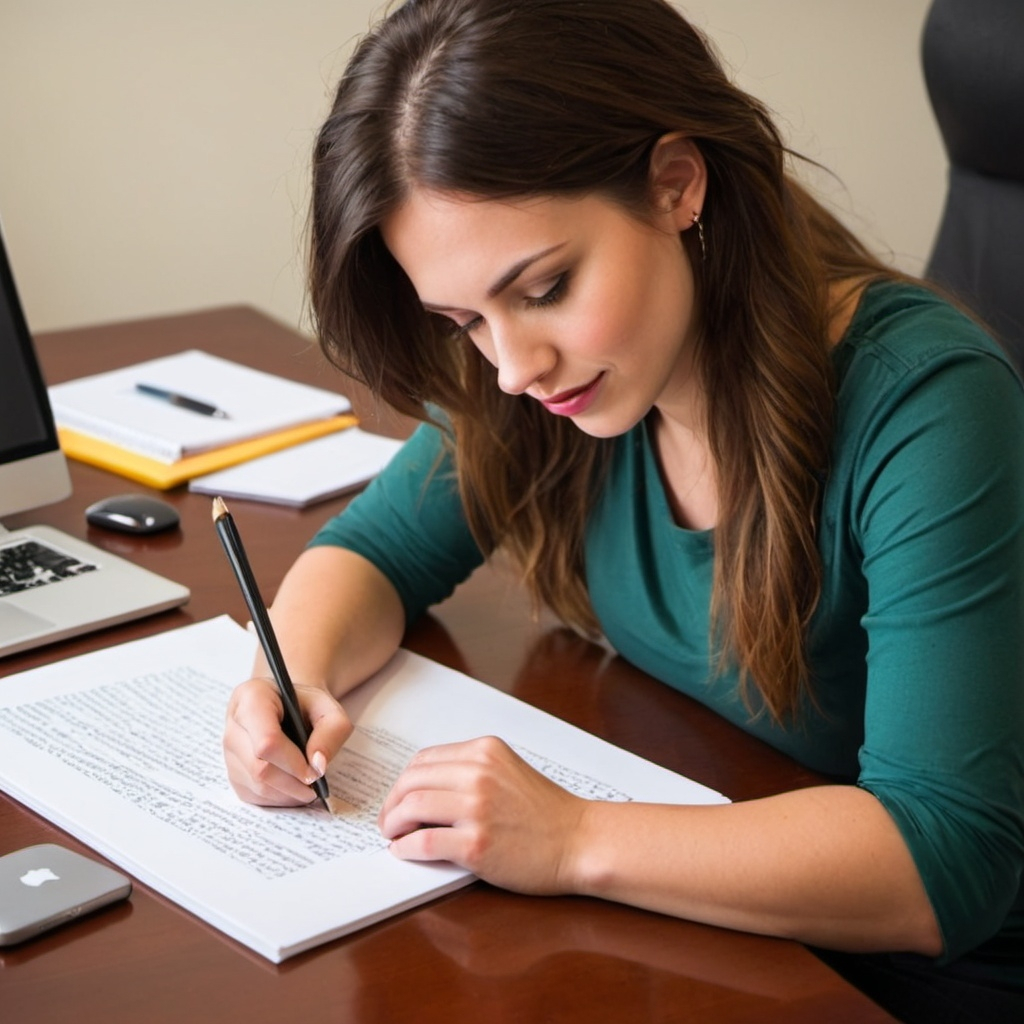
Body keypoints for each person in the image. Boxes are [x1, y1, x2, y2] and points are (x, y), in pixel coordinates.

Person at [222, 1, 1024, 1019]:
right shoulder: (558, 382)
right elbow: (374, 551)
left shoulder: (928, 400)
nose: (512, 366)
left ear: (675, 184)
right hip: (696, 926)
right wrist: (283, 677)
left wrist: (570, 837)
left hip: (904, 981)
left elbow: (944, 857)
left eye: (546, 286)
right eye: (465, 320)